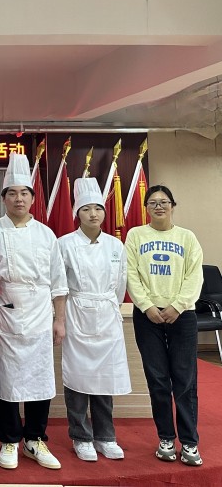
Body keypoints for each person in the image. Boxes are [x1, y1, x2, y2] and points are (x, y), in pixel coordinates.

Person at [0, 152, 68, 471]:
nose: (18, 198)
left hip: (40, 312)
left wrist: (60, 320)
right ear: (4, 198)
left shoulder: (46, 234)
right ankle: (10, 440)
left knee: (40, 378)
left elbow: (58, 281)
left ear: (32, 198)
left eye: (24, 193)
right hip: (4, 312)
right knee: (7, 379)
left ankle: (35, 439)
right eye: (12, 193)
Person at [125, 185, 204, 467]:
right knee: (158, 380)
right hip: (148, 317)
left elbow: (194, 276)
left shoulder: (187, 237)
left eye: (164, 202)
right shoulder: (135, 235)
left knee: (184, 380)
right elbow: (130, 273)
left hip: (182, 315)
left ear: (173, 205)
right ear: (146, 207)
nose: (158, 206)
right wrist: (147, 306)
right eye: (153, 202)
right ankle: (166, 439)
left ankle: (190, 442)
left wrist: (178, 305)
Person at [57, 178, 130, 462]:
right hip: (77, 313)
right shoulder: (64, 244)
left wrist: (107, 306)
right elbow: (59, 283)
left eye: (98, 208)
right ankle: (81, 436)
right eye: (86, 209)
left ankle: (105, 437)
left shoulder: (115, 245)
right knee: (78, 379)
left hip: (107, 315)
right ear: (77, 213)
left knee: (104, 378)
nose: (93, 214)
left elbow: (120, 284)